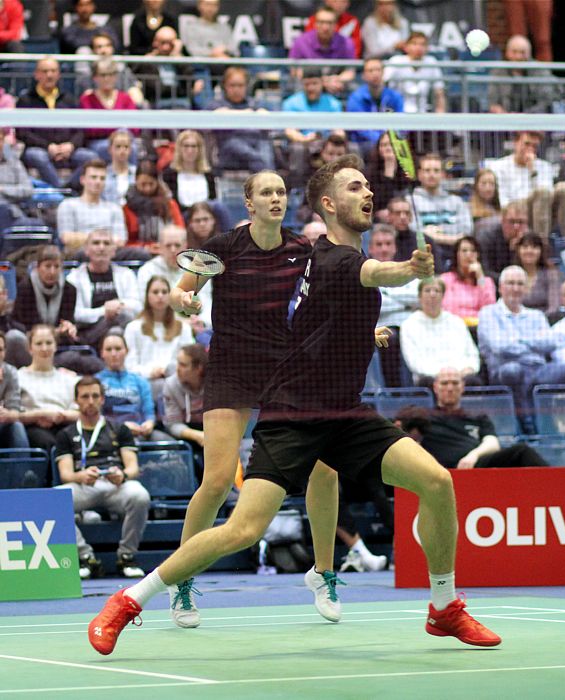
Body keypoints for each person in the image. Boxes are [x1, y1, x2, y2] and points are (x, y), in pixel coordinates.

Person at [87, 155, 501, 655]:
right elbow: (374, 273)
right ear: (328, 204)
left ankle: (443, 607)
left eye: (369, 185)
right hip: (291, 414)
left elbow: (310, 319)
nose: (368, 193)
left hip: (343, 411)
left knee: (437, 481)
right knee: (242, 525)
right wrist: (410, 269)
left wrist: (360, 332)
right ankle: (129, 600)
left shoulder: (305, 254)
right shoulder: (334, 258)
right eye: (354, 187)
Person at [157, 170, 340, 629]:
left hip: (284, 369)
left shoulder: (302, 250)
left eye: (281, 192)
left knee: (324, 465)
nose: (276, 199)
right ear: (249, 203)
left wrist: (359, 329)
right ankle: (182, 579)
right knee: (218, 481)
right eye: (267, 193)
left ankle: (324, 572)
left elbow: (329, 302)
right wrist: (187, 304)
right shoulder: (223, 247)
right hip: (232, 367)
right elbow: (181, 291)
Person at [478, 266, 565, 431]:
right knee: (513, 370)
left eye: (520, 284)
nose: (515, 288)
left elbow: (550, 342)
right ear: (500, 288)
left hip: (539, 370)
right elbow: (500, 347)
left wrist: (518, 341)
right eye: (510, 283)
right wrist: (533, 344)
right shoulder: (488, 314)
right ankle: (529, 427)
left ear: (526, 288)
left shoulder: (536, 315)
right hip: (505, 371)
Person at [55, 375, 151, 578]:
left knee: (140, 495)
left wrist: (122, 474)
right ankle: (86, 557)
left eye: (95, 396)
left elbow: (133, 468)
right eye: (85, 396)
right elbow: (65, 475)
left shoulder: (119, 429)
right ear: (76, 400)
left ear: (102, 399)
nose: (90, 401)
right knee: (52, 502)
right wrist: (81, 476)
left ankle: (126, 556)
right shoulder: (66, 433)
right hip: (84, 485)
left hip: (114, 485)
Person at [397, 367, 548, 469]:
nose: (450, 388)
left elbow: (492, 442)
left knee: (521, 451)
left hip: (476, 465)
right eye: (445, 383)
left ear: (462, 387)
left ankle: (558, 487)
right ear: (436, 387)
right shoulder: (424, 416)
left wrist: (473, 456)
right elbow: (403, 435)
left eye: (455, 383)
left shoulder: (477, 417)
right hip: (442, 469)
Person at [16, 58, 96, 188]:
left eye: (53, 71)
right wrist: (48, 146)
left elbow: (81, 129)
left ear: (58, 74)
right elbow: (22, 132)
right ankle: (60, 190)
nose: (49, 75)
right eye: (45, 71)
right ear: (36, 74)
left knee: (90, 157)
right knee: (37, 156)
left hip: (68, 150)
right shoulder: (26, 100)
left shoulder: (70, 99)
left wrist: (71, 145)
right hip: (40, 150)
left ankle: (67, 187)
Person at [490, 130, 565, 240]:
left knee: (564, 188)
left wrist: (532, 171)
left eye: (534, 146)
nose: (530, 149)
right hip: (513, 209)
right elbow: (502, 201)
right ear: (516, 143)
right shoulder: (498, 166)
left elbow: (547, 194)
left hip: (543, 209)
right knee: (542, 193)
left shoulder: (544, 166)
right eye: (526, 144)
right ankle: (541, 243)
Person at [67, 229, 143, 347]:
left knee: (120, 326)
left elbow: (138, 306)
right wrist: (104, 311)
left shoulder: (126, 274)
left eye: (106, 243)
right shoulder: (74, 278)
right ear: (86, 250)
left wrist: (119, 304)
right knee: (121, 320)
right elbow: (76, 313)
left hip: (121, 328)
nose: (101, 248)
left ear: (114, 251)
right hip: (90, 332)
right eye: (96, 243)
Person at [401, 277, 481, 386]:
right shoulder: (409, 325)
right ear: (419, 296)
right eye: (428, 290)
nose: (432, 294)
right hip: (429, 378)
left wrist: (465, 370)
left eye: (437, 291)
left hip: (459, 376)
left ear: (443, 296)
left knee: (473, 381)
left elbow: (472, 354)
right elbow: (414, 362)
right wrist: (443, 375)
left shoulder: (456, 322)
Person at [123, 276, 194, 398]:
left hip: (175, 381)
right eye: (155, 292)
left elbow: (189, 362)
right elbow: (129, 366)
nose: (160, 296)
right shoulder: (133, 328)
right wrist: (150, 372)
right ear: (147, 296)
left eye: (164, 292)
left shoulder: (184, 328)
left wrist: (169, 371)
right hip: (143, 382)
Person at [368, 223, 419, 387]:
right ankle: (395, 390)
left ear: (395, 247)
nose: (384, 249)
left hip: (412, 326)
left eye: (388, 244)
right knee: (390, 338)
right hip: (382, 328)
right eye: (379, 244)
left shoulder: (407, 271)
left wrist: (387, 293)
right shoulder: (365, 274)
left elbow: (418, 298)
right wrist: (405, 304)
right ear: (370, 248)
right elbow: (375, 305)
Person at [97, 332, 171, 442]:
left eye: (118, 349)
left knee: (173, 446)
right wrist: (122, 426)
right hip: (110, 433)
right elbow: (97, 415)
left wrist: (149, 423)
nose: (113, 353)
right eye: (108, 349)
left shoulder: (140, 381)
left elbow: (148, 411)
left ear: (126, 351)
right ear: (102, 353)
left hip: (140, 431)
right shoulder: (96, 382)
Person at [137, 224, 212, 333]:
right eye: (168, 245)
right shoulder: (147, 270)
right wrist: (179, 322)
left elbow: (208, 304)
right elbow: (144, 307)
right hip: (160, 327)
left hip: (197, 327)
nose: (173, 250)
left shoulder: (198, 269)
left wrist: (201, 321)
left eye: (177, 245)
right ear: (160, 247)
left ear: (185, 246)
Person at [17, 324, 79, 453]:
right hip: (32, 426)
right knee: (48, 443)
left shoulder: (68, 378)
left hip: (64, 423)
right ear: (30, 348)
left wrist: (60, 416)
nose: (44, 348)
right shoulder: (18, 377)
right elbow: (12, 414)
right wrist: (39, 415)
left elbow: (80, 412)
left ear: (56, 346)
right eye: (39, 343)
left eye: (49, 343)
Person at [411, 153, 473, 269]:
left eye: (436, 171)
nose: (432, 175)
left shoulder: (456, 201)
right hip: (424, 255)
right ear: (419, 174)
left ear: (443, 175)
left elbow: (467, 230)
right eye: (427, 170)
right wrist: (453, 237)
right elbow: (414, 231)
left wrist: (432, 233)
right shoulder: (411, 201)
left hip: (455, 255)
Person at [208, 67, 275, 172]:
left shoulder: (254, 103)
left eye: (240, 85)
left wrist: (231, 115)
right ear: (225, 86)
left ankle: (267, 180)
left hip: (254, 143)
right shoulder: (216, 104)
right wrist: (250, 114)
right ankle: (267, 173)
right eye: (232, 85)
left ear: (246, 86)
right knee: (257, 157)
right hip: (229, 148)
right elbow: (218, 115)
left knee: (264, 142)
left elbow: (267, 117)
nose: (236, 89)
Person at [56, 159, 128, 254]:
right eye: (93, 177)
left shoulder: (114, 208)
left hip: (109, 256)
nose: (98, 182)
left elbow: (120, 241)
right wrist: (104, 240)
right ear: (83, 180)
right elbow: (67, 238)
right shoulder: (67, 205)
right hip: (80, 255)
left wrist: (83, 238)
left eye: (102, 178)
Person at [12, 244, 78, 348]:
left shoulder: (70, 290)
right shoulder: (25, 287)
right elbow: (23, 323)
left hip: (58, 343)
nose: (52, 272)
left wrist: (68, 327)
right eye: (47, 266)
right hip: (30, 342)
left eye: (56, 266)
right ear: (38, 267)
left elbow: (67, 319)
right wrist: (52, 332)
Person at [79, 59, 139, 163]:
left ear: (115, 77)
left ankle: (129, 177)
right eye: (102, 75)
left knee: (131, 148)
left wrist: (108, 127)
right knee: (110, 148)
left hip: (124, 141)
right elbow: (90, 129)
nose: (107, 79)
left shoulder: (125, 98)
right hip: (97, 142)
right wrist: (118, 129)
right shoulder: (87, 99)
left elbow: (135, 127)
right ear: (95, 77)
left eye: (110, 74)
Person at [289, 5, 356, 95]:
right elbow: (294, 70)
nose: (325, 27)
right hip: (308, 87)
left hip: (335, 87)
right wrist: (319, 81)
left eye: (329, 23)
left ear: (335, 24)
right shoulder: (301, 41)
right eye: (321, 22)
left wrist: (337, 79)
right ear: (315, 24)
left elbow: (350, 72)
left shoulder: (346, 43)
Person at [134, 27, 204, 109]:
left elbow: (190, 82)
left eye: (170, 43)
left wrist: (177, 57)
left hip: (183, 104)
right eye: (163, 43)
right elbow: (157, 90)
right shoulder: (148, 62)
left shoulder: (181, 61)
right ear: (155, 43)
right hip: (158, 105)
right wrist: (187, 92)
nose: (166, 47)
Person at [488, 34, 560, 113]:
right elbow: (492, 102)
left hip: (533, 120)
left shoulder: (540, 71)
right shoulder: (497, 72)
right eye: (514, 52)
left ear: (529, 54)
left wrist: (524, 115)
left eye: (523, 52)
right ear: (507, 53)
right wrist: (500, 111)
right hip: (505, 119)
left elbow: (546, 103)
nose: (518, 57)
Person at [124, 159, 184, 249]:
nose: (147, 188)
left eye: (151, 184)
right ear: (136, 181)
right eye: (143, 184)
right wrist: (145, 247)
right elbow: (125, 241)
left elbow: (180, 231)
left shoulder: (169, 204)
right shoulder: (127, 207)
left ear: (157, 182)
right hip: (138, 252)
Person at [162, 343, 207, 459]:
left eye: (183, 365)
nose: (177, 368)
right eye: (178, 363)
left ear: (198, 368)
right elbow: (173, 424)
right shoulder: (171, 385)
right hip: (188, 432)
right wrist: (198, 436)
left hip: (214, 428)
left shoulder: (215, 383)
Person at [346, 60, 404, 148]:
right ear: (363, 75)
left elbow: (401, 121)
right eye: (370, 70)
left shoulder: (395, 96)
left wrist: (389, 139)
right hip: (364, 143)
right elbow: (358, 126)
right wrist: (380, 139)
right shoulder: (356, 98)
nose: (375, 74)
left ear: (383, 73)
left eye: (378, 70)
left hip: (391, 141)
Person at [385, 31, 446, 114]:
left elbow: (439, 93)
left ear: (427, 48)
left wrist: (441, 115)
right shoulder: (395, 61)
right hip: (397, 113)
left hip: (422, 114)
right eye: (414, 44)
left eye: (423, 44)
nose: (419, 48)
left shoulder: (431, 62)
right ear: (406, 47)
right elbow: (383, 86)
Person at [75, 32, 144, 106]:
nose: (104, 50)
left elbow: (132, 85)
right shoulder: (88, 72)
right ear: (93, 50)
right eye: (99, 47)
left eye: (108, 46)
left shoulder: (121, 68)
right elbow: (84, 90)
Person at [440, 236, 496, 325]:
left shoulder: (486, 281)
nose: (468, 254)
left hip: (480, 327)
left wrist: (480, 277)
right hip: (454, 326)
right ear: (456, 255)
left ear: (478, 255)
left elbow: (489, 311)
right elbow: (448, 308)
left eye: (473, 251)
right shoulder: (446, 279)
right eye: (464, 251)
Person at [161, 130, 216, 214]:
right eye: (186, 146)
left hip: (205, 216)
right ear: (179, 149)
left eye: (194, 146)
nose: (190, 150)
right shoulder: (169, 174)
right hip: (181, 216)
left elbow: (213, 200)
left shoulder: (209, 174)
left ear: (199, 149)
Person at [475, 201, 528, 281]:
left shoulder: (530, 240)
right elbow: (484, 273)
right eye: (512, 221)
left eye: (521, 222)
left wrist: (517, 251)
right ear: (503, 221)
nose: (516, 226)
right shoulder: (486, 237)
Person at [513, 232, 562, 319]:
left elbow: (554, 308)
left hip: (545, 323)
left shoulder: (551, 274)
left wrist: (537, 322)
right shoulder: (512, 274)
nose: (529, 251)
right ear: (518, 250)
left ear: (541, 251)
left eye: (534, 247)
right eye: (525, 247)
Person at [0, 330, 30, 450]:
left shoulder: (10, 372)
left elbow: (13, 411)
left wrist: (7, 414)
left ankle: (22, 469)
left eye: (0, 350)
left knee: (16, 426)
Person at [0, 126, 34, 228]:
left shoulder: (14, 164)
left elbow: (28, 190)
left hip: (11, 214)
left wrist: (2, 189)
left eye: (0, 140)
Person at [386, 196, 435, 262]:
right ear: (389, 216)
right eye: (397, 213)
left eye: (407, 213)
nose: (403, 217)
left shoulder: (425, 241)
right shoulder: (381, 241)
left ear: (411, 216)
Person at [102, 130, 137, 206]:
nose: (122, 150)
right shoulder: (102, 174)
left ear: (130, 150)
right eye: (118, 146)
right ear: (110, 149)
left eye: (126, 147)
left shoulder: (137, 173)